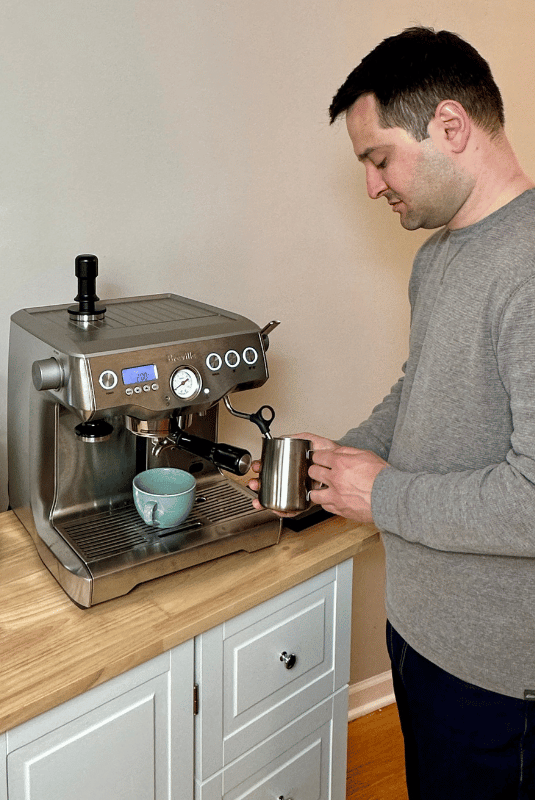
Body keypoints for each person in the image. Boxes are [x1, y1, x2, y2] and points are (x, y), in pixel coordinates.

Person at [250, 27, 535, 797]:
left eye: (378, 159)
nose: (373, 187)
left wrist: (378, 495)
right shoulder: (439, 256)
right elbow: (423, 387)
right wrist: (342, 456)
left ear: (450, 126)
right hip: (423, 633)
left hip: (502, 673)